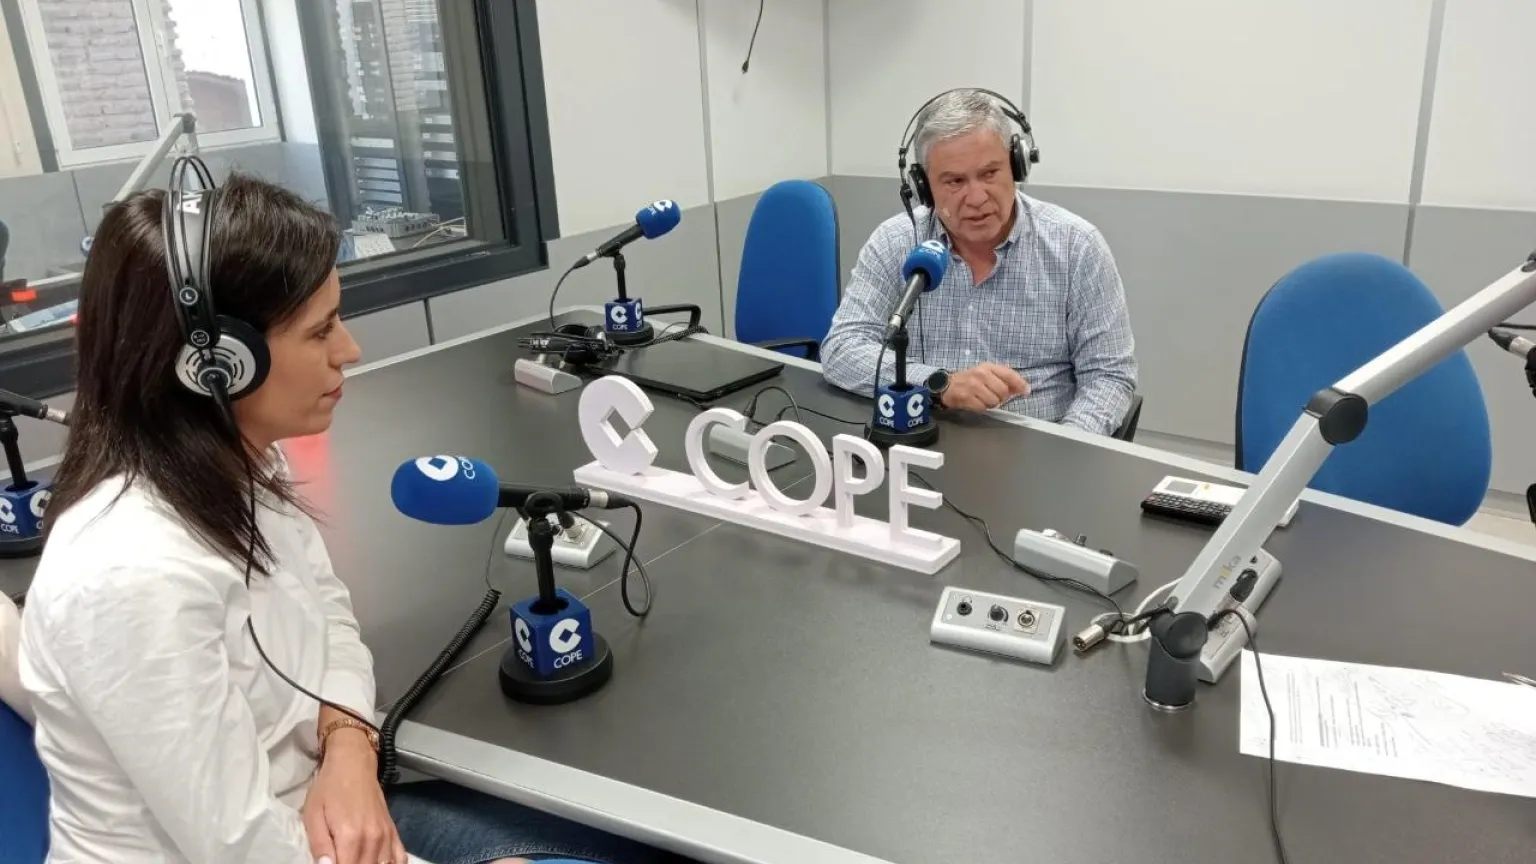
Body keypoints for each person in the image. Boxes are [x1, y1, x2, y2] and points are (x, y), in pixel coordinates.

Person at [15, 172, 682, 864]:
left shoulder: (245, 464)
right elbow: (246, 849)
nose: (350, 350)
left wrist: (348, 747)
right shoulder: (128, 580)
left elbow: (330, 619)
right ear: (219, 365)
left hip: (327, 811)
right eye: (320, 330)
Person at [820, 89, 1138, 436]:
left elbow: (1109, 377)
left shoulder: (1077, 247)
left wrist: (1065, 448)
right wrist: (939, 384)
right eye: (955, 181)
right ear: (924, 186)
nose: (976, 197)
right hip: (923, 438)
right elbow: (842, 348)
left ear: (1016, 165)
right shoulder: (895, 242)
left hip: (1036, 445)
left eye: (989, 173)